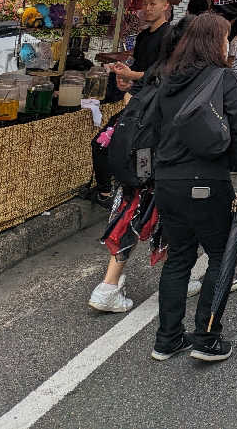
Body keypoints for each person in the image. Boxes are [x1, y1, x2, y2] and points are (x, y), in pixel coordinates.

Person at [151, 12, 237, 362]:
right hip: (207, 181)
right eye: (226, 37)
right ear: (216, 41)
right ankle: (207, 337)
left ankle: (167, 339)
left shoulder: (166, 79)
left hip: (167, 181)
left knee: (178, 257)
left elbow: (152, 131)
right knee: (219, 257)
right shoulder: (224, 79)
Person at [90, 16, 197, 314]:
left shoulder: (159, 69)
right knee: (173, 214)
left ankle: (109, 285)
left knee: (133, 210)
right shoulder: (190, 77)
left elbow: (131, 96)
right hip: (166, 158)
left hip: (139, 156)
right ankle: (177, 277)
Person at [110, 0, 171, 84]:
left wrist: (131, 75)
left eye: (152, 4)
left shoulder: (171, 35)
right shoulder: (142, 36)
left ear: (165, 6)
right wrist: (125, 74)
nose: (147, 8)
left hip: (153, 94)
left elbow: (166, 74)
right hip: (135, 90)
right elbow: (135, 63)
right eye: (144, 4)